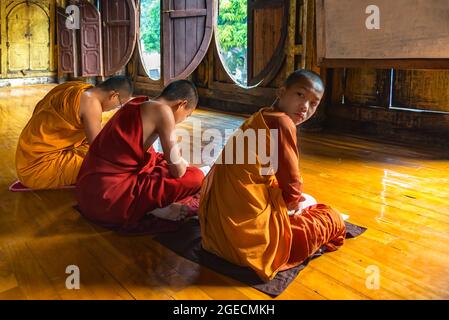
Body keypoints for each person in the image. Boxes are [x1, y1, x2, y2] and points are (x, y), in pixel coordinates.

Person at [198, 70, 347, 281]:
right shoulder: (282, 122)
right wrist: (290, 206)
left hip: (214, 235)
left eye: (314, 103)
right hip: (244, 243)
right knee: (331, 217)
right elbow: (293, 187)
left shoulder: (260, 116)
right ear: (282, 91)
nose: (306, 107)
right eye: (300, 95)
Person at [76, 80, 204, 232]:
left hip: (86, 192)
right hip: (110, 201)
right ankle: (149, 208)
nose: (183, 120)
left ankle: (149, 206)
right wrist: (183, 163)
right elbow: (178, 171)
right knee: (196, 176)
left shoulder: (137, 103)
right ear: (181, 104)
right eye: (187, 115)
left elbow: (139, 153)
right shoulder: (163, 111)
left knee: (161, 161)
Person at [15, 76, 133, 189]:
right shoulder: (91, 104)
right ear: (114, 96)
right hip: (37, 168)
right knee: (107, 167)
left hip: (28, 155)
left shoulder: (79, 87)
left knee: (105, 150)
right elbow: (99, 150)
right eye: (119, 105)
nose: (115, 109)